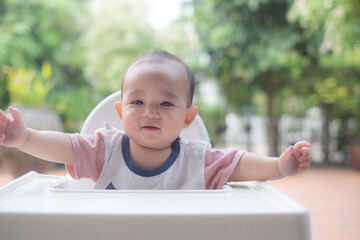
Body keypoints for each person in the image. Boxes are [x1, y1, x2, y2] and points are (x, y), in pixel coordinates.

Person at [0, 51, 312, 190]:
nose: (151, 112)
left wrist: (277, 167)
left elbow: (240, 164)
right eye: (137, 102)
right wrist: (24, 137)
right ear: (121, 113)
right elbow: (64, 146)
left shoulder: (198, 160)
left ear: (188, 118)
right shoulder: (103, 150)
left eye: (165, 103)